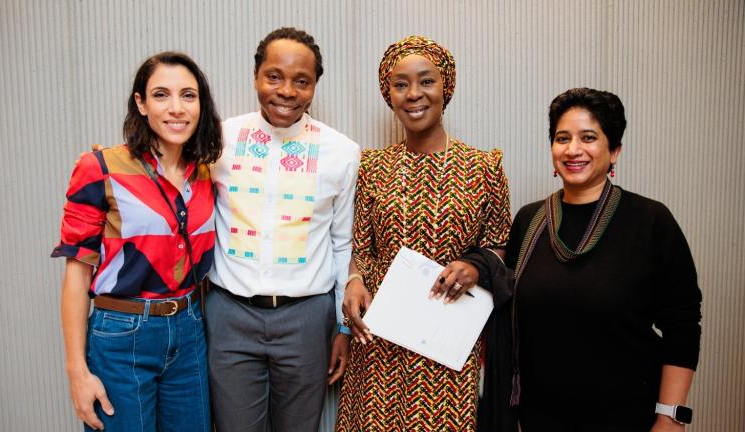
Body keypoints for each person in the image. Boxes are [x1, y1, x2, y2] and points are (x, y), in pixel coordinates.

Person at [464, 88, 702, 431]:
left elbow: (683, 324)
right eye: (562, 138)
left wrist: (669, 416)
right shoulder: (529, 221)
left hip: (627, 417)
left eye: (588, 137)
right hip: (539, 418)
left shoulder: (650, 221)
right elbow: (505, 308)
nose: (573, 149)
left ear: (614, 150)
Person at [336, 35, 512, 431]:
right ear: (389, 94)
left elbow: (501, 249)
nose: (414, 94)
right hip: (379, 342)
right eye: (401, 84)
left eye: (426, 81)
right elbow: (362, 250)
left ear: (445, 87)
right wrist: (354, 281)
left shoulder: (484, 167)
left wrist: (475, 267)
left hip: (447, 340)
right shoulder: (372, 166)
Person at [52, 51, 223, 431]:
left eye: (188, 96)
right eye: (161, 95)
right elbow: (76, 278)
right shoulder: (100, 168)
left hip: (191, 328)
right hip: (122, 332)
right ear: (141, 103)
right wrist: (76, 371)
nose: (176, 108)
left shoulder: (208, 172)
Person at [205, 27, 360, 432]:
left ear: (314, 86)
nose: (286, 91)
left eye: (301, 81)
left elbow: (343, 243)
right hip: (229, 313)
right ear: (256, 76)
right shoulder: (218, 140)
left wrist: (342, 328)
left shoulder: (341, 152)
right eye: (274, 76)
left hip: (307, 319)